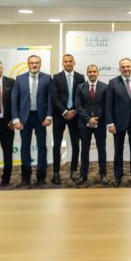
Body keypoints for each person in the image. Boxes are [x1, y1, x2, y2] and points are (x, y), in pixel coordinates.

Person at [11, 55, 52, 186]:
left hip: (41, 118)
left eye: (37, 63)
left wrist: (49, 116)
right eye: (32, 63)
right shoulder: (19, 79)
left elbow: (50, 98)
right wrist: (16, 119)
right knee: (25, 147)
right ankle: (26, 176)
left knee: (42, 147)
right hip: (25, 118)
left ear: (40, 64)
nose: (34, 65)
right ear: (28, 64)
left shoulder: (47, 78)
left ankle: (41, 176)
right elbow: (14, 100)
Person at [105, 58, 131, 187]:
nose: (126, 69)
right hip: (118, 123)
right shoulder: (112, 83)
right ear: (119, 68)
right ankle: (118, 176)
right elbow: (108, 105)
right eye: (123, 67)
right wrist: (110, 123)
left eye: (128, 66)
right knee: (118, 151)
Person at [51, 54, 85, 184]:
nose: (68, 63)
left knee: (76, 145)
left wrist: (74, 111)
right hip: (60, 115)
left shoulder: (80, 77)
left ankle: (74, 170)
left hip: (75, 116)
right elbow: (54, 97)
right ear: (63, 63)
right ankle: (56, 173)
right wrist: (65, 112)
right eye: (66, 61)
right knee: (57, 145)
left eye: (70, 61)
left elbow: (81, 97)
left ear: (74, 63)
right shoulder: (56, 77)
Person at [75, 64, 108, 185]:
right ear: (87, 73)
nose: (92, 74)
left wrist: (97, 118)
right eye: (90, 72)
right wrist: (89, 119)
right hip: (84, 124)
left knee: (102, 150)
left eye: (94, 71)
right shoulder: (80, 87)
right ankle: (83, 175)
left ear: (98, 73)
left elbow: (106, 105)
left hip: (100, 123)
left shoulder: (105, 87)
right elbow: (78, 105)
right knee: (84, 150)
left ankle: (103, 174)